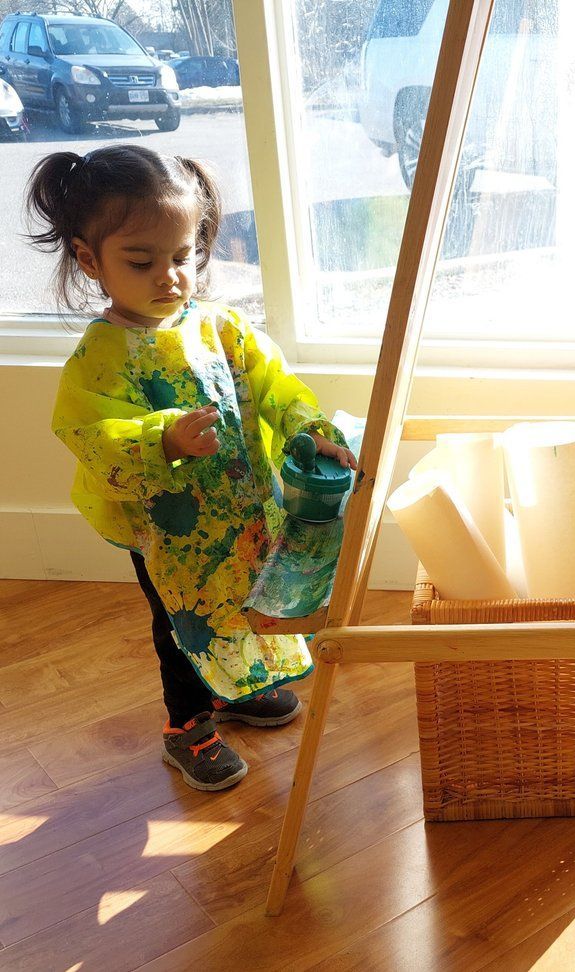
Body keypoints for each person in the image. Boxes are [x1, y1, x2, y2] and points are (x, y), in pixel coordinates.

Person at [30, 145, 357, 792]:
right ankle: (188, 725)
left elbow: (273, 382)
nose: (169, 278)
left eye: (182, 257)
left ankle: (231, 691)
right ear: (89, 259)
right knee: (186, 622)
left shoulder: (220, 327)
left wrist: (305, 428)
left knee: (243, 601)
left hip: (240, 509)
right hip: (168, 532)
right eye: (141, 262)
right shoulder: (101, 358)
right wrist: (163, 439)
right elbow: (90, 433)